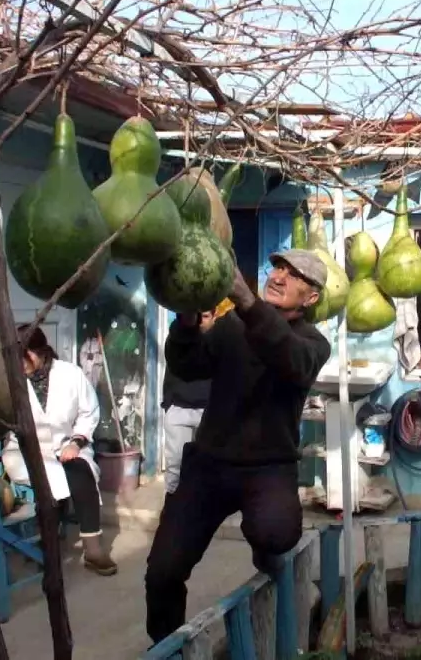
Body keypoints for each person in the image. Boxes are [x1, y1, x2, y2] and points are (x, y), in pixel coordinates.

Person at [145, 250, 332, 644]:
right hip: (209, 465)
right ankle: (167, 647)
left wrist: (246, 301)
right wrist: (186, 318)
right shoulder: (232, 326)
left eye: (293, 274)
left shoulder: (312, 344)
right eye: (278, 268)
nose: (279, 277)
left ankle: (263, 549)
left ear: (311, 297)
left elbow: (289, 359)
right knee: (163, 570)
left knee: (276, 534)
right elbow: (189, 365)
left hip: (269, 468)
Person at [0, 325, 118, 576]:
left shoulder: (71, 375)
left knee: (81, 471)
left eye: (24, 356)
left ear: (38, 352)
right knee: (50, 477)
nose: (21, 364)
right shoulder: (12, 382)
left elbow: (89, 412)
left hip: (67, 444)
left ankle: (93, 549)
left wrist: (76, 442)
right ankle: (48, 541)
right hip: (25, 450)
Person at [161, 299, 232, 493]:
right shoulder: (179, 340)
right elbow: (170, 374)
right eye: (197, 317)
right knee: (175, 465)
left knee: (209, 465)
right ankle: (172, 508)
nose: (201, 321)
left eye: (206, 316)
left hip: (209, 413)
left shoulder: (220, 343)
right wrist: (169, 405)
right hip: (179, 410)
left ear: (215, 316)